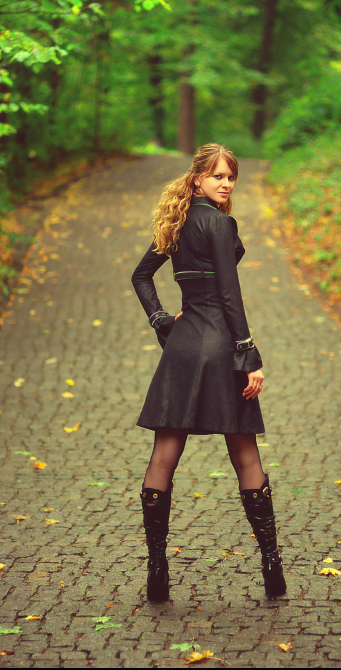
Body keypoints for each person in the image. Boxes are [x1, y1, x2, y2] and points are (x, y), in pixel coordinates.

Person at [131, 143, 286, 602]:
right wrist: (248, 352)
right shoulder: (219, 223)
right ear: (197, 178)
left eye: (231, 177)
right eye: (217, 175)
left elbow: (141, 276)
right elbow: (229, 293)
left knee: (164, 453)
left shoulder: (177, 222)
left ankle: (157, 571)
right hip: (220, 345)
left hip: (183, 345)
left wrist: (162, 321)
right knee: (245, 454)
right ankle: (272, 567)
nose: (226, 183)